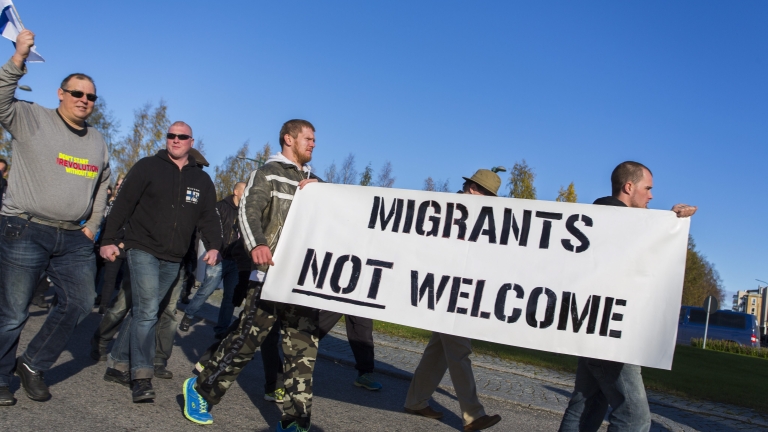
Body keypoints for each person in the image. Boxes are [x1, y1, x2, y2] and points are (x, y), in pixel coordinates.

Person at [183, 119, 320, 432]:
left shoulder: (316, 183)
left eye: (314, 140)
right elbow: (249, 210)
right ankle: (201, 389)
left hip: (301, 284)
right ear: (289, 138)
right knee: (245, 342)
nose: (313, 144)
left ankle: (296, 421)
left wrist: (322, 194)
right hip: (268, 278)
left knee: (303, 354)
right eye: (308, 139)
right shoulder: (267, 173)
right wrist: (257, 243)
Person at [0, 29, 111, 406]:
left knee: (81, 301)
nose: (84, 100)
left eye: (90, 96)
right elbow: (1, 100)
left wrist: (93, 225)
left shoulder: (97, 140)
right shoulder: (31, 117)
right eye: (77, 93)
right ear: (60, 94)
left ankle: (32, 363)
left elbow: (103, 185)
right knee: (14, 313)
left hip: (73, 238)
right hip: (25, 228)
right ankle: (1, 377)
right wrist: (18, 59)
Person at [558, 161, 697, 432]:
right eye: (648, 188)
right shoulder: (616, 223)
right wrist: (667, 225)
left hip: (592, 328)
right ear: (629, 186)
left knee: (587, 404)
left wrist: (669, 222)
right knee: (634, 417)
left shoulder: (599, 221)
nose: (652, 195)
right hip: (611, 334)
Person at [99, 121, 221, 402]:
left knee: (143, 308)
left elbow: (209, 218)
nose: (175, 140)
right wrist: (108, 239)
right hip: (142, 248)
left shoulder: (201, 180)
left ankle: (117, 363)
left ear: (192, 141)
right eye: (170, 135)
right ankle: (141, 376)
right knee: (148, 311)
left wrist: (215, 246)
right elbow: (122, 204)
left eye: (182, 137)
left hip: (174, 257)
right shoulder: (146, 167)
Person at [403, 169, 503, 431]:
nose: (491, 201)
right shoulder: (446, 211)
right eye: (488, 195)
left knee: (438, 350)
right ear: (472, 189)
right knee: (459, 351)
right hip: (445, 291)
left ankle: (415, 401)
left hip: (457, 291)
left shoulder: (472, 216)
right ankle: (473, 414)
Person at [179, 181, 251, 338]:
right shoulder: (220, 208)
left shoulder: (246, 212)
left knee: (230, 297)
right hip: (220, 257)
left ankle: (221, 329)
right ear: (236, 192)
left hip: (236, 261)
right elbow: (209, 230)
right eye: (245, 191)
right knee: (207, 289)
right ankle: (189, 315)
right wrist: (214, 249)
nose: (247, 195)